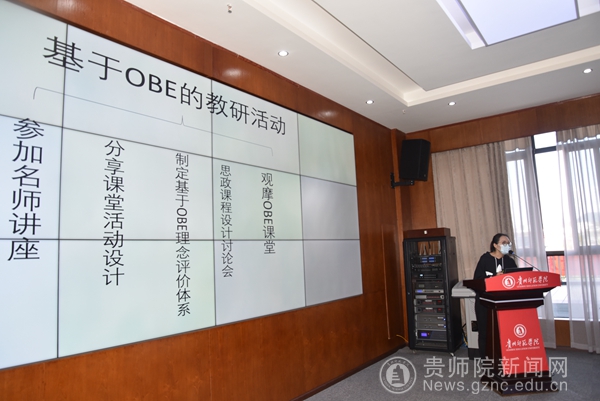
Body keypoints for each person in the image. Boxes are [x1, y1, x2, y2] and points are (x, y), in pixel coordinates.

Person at [473, 233, 517, 359]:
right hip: (484, 303)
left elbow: (516, 279)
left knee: (504, 332)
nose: (507, 245)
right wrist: (493, 277)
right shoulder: (485, 259)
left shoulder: (510, 261)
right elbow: (477, 280)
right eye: (504, 243)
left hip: (504, 303)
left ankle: (504, 359)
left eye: (508, 243)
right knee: (485, 332)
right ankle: (486, 360)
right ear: (495, 245)